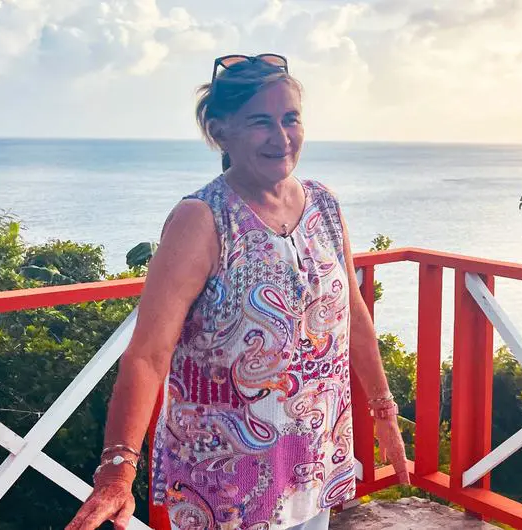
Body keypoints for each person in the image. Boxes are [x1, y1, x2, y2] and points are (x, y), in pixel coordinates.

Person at [66, 53, 409, 530]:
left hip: (312, 459)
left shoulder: (325, 205)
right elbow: (147, 354)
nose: (281, 136)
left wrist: (382, 407)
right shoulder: (201, 219)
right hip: (227, 483)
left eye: (291, 118)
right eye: (260, 122)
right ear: (221, 132)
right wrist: (117, 475)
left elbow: (352, 312)